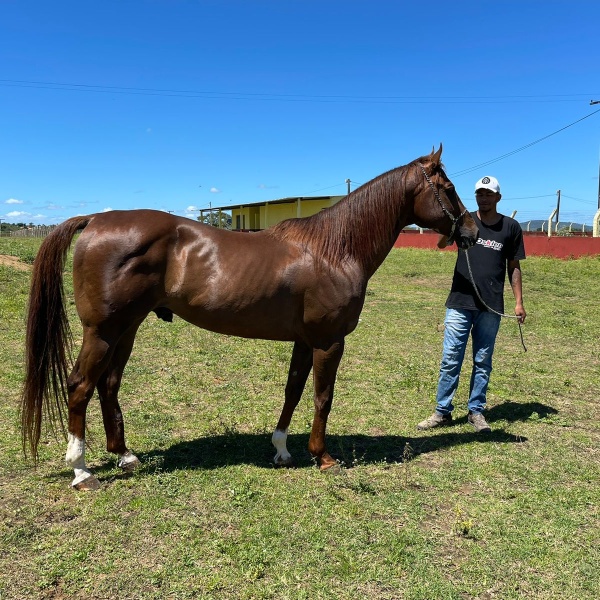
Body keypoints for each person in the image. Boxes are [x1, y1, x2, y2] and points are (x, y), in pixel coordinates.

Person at [417, 175, 526, 433]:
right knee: (451, 358)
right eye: (480, 193)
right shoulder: (465, 221)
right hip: (459, 302)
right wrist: (450, 233)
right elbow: (442, 244)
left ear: (498, 197)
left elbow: (514, 267)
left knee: (483, 360)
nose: (483, 198)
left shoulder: (510, 227)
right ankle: (442, 411)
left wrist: (519, 302)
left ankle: (476, 411)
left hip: (491, 306)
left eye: (488, 194)